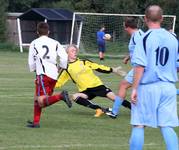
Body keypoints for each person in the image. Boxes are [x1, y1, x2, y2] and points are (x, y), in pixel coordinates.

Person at [130, 5, 179, 150]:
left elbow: (140, 66)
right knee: (167, 125)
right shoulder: (173, 38)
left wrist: (134, 89)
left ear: (145, 19)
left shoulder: (144, 38)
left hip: (148, 87)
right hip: (169, 87)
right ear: (162, 19)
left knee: (139, 124)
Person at [55, 44, 131, 117]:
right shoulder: (66, 68)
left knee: (116, 99)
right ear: (67, 53)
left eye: (75, 51)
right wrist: (48, 84)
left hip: (97, 86)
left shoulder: (84, 62)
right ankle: (100, 109)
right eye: (72, 51)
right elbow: (59, 82)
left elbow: (98, 67)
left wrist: (112, 70)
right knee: (75, 96)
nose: (75, 52)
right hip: (85, 90)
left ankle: (134, 108)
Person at [27, 22, 72, 128]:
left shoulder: (34, 43)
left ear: (37, 32)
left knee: (41, 101)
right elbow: (64, 57)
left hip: (43, 74)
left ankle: (61, 96)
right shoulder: (55, 42)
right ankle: (36, 122)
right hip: (54, 74)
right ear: (49, 32)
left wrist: (34, 69)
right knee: (37, 97)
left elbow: (31, 61)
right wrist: (62, 66)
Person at [106, 17, 144, 118]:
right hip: (140, 66)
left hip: (140, 67)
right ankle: (143, 111)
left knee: (123, 85)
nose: (124, 28)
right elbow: (137, 49)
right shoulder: (137, 34)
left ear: (127, 27)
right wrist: (128, 57)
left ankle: (114, 112)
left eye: (124, 26)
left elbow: (145, 50)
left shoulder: (137, 36)